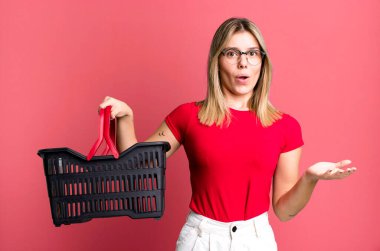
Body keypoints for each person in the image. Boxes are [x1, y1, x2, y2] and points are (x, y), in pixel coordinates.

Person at [99, 17, 356, 251]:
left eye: (252, 53)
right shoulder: (187, 116)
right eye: (232, 53)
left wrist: (310, 178)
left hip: (257, 240)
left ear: (262, 62)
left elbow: (284, 211)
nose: (243, 62)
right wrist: (126, 118)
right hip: (200, 239)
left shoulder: (285, 126)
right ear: (216, 61)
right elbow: (136, 167)